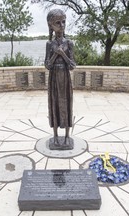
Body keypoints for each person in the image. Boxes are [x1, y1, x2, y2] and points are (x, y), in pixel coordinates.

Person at [44, 9, 76, 147]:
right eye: (58, 23)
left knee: (67, 104)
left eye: (63, 21)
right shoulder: (49, 44)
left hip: (65, 77)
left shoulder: (69, 43)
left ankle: (68, 136)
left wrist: (63, 54)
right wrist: (54, 54)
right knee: (55, 104)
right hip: (54, 79)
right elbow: (47, 65)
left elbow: (72, 65)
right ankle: (56, 136)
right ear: (51, 26)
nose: (62, 25)